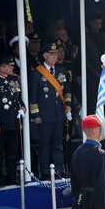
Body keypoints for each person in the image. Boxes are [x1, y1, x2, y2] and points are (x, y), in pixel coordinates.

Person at [29, 41, 72, 179]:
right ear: (45, 55)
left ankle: (59, 169)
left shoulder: (61, 70)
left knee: (57, 143)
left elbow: (68, 92)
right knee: (44, 144)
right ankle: (46, 172)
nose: (55, 56)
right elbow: (33, 96)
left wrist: (69, 106)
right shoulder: (36, 73)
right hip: (44, 115)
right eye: (52, 54)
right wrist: (35, 114)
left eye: (56, 54)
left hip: (59, 113)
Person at [0, 56, 26, 187]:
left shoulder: (12, 79)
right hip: (0, 123)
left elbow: (17, 96)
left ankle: (12, 177)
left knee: (12, 152)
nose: (12, 67)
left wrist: (22, 106)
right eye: (10, 65)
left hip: (13, 122)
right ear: (2, 68)